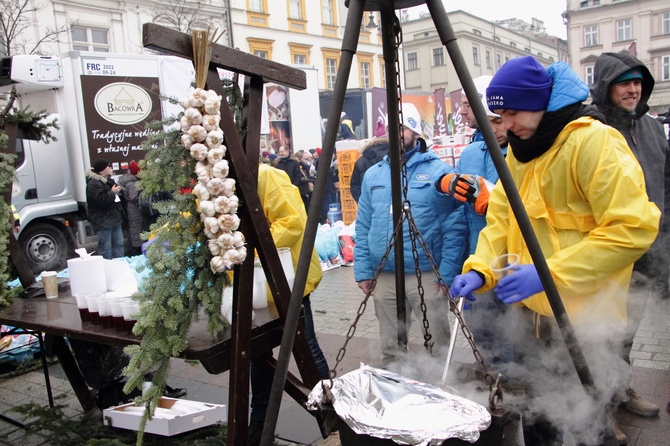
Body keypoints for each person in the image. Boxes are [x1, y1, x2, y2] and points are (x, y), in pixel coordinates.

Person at [450, 56, 660, 445]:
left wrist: (548, 274)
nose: (506, 125)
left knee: (587, 424)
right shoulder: (519, 150)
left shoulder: (593, 141)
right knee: (539, 416)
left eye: (512, 113)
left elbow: (633, 228)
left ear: (539, 102)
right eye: (500, 115)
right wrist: (481, 269)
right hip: (532, 317)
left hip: (585, 321)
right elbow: (501, 220)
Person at [591, 51, 669, 433]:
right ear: (607, 86)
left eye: (638, 82)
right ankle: (600, 410)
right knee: (603, 334)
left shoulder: (653, 127)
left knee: (630, 331)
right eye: (625, 82)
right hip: (608, 252)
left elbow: (665, 182)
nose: (634, 89)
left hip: (651, 248)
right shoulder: (591, 126)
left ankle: (622, 390)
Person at [354, 102, 461, 381]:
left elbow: (454, 226)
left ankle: (441, 390)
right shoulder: (374, 174)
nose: (397, 133)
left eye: (403, 127)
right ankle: (394, 389)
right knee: (390, 344)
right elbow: (364, 224)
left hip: (426, 273)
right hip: (386, 274)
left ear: (416, 132)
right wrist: (364, 270)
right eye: (393, 128)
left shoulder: (439, 171)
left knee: (436, 342)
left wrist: (447, 274)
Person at [248, 163, 329, 446]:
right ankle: (258, 426)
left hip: (286, 280)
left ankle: (330, 417)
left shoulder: (266, 176)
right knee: (258, 354)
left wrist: (247, 248)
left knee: (306, 346)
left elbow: (292, 222)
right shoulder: (213, 184)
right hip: (251, 287)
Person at [436, 75, 512, 374]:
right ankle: (492, 393)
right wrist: (443, 187)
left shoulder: (524, 153)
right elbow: (456, 216)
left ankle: (516, 400)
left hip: (513, 266)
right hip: (477, 263)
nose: (463, 112)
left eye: (469, 105)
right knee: (483, 339)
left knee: (516, 346)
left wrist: (493, 198)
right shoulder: (470, 153)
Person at [86, 158, 125, 260]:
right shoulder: (94, 183)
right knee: (106, 247)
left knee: (119, 244)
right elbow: (100, 200)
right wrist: (113, 193)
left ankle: (120, 265)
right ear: (102, 169)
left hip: (114, 218)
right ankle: (107, 267)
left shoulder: (107, 179)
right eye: (108, 166)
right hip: (103, 220)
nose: (110, 168)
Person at [349, 135, 389, 203]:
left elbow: (355, 185)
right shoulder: (398, 158)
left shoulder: (361, 161)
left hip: (368, 201)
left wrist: (362, 203)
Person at [117, 161, 143, 256]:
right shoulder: (132, 184)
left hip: (134, 210)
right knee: (136, 231)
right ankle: (136, 252)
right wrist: (144, 194)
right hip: (135, 211)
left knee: (136, 231)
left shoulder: (132, 181)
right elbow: (134, 197)